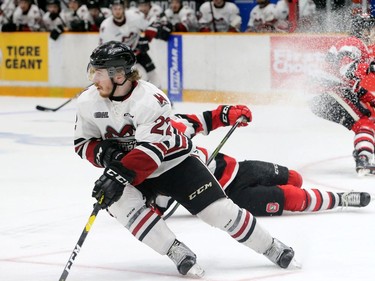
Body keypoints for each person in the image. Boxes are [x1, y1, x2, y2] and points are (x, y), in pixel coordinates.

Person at [74, 41, 296, 278]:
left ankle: (270, 246)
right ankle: (174, 250)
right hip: (132, 169)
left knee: (219, 212)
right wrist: (106, 155)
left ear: (118, 75)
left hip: (174, 164)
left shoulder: (150, 100)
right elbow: (82, 143)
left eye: (98, 73)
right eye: (92, 71)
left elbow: (150, 153)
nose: (93, 79)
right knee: (116, 200)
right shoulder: (88, 102)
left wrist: (116, 173)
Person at [151, 105, 372, 218]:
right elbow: (161, 194)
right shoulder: (151, 154)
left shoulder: (176, 123)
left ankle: (317, 196)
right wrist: (156, 205)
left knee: (294, 178)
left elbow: (207, 119)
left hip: (239, 168)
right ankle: (342, 199)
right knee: (294, 197)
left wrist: (231, 112)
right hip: (231, 197)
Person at [309, 14, 375, 176]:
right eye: (371, 28)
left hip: (326, 92)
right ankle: (363, 158)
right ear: (364, 31)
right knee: (365, 120)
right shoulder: (353, 43)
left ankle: (363, 151)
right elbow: (346, 70)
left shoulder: (359, 46)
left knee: (367, 120)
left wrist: (369, 98)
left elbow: (353, 83)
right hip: (327, 90)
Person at [99, 0, 162, 88]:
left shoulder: (135, 16)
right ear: (111, 10)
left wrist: (145, 39)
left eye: (120, 8)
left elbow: (149, 27)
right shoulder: (105, 27)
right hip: (122, 58)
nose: (117, 11)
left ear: (124, 9)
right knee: (138, 78)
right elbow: (103, 50)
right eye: (115, 9)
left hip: (138, 50)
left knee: (152, 74)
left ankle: (161, 99)